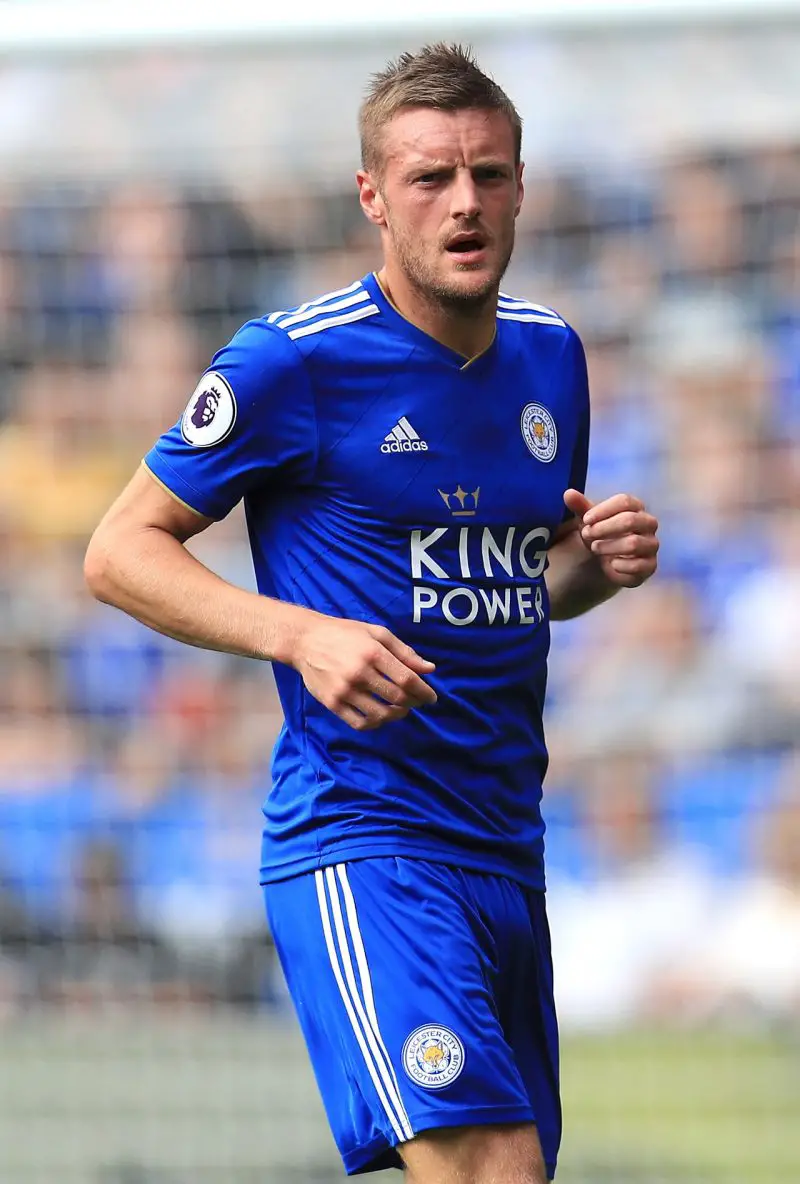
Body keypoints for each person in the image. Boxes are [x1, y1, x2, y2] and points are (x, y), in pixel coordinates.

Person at [85, 43, 658, 1184]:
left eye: (487, 174)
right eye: (430, 177)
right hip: (365, 840)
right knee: (490, 1167)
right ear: (373, 197)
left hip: (507, 842)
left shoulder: (552, 356)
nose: (464, 202)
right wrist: (297, 632)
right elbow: (118, 552)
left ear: (522, 188)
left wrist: (596, 567)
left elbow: (512, 593)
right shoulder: (291, 361)